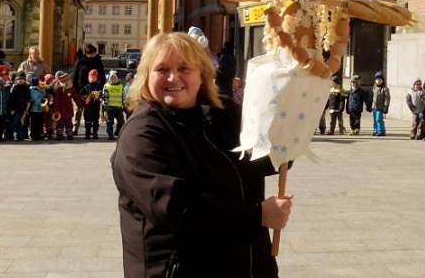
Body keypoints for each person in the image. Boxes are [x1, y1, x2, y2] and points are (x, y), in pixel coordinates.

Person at [111, 32, 292, 278]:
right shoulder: (142, 135)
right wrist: (257, 216)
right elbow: (176, 207)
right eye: (162, 69)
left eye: (184, 68)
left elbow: (263, 159)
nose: (173, 77)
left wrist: (289, 129)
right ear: (146, 76)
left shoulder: (223, 115)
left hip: (246, 265)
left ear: (202, 75)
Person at [73, 44, 106, 135]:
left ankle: (93, 131)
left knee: (94, 110)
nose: (95, 54)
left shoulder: (98, 61)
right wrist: (77, 90)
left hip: (95, 90)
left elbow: (102, 75)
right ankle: (75, 128)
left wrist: (100, 87)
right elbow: (75, 76)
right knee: (79, 109)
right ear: (89, 53)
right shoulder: (80, 61)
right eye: (94, 52)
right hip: (82, 90)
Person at [51, 71, 82, 140]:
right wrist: (55, 109)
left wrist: (79, 105)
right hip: (60, 109)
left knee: (68, 122)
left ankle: (69, 134)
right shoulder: (58, 88)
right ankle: (60, 135)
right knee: (60, 122)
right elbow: (56, 100)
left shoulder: (70, 87)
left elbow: (75, 97)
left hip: (67, 108)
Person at [103, 70, 125, 140]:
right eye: (111, 77)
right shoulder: (106, 86)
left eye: (114, 77)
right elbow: (104, 97)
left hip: (118, 107)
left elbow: (123, 96)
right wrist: (104, 109)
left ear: (118, 78)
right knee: (110, 122)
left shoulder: (121, 86)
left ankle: (117, 132)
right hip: (110, 107)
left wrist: (124, 105)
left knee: (121, 121)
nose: (113, 78)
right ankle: (110, 134)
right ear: (109, 78)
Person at [81, 69, 103, 140]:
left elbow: (102, 95)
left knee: (95, 121)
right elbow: (82, 95)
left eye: (94, 77)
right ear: (88, 78)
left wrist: (99, 95)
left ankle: (95, 134)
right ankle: (87, 134)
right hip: (87, 107)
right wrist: (85, 97)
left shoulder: (99, 86)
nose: (92, 79)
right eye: (91, 77)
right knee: (87, 121)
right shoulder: (86, 87)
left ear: (96, 78)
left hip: (96, 107)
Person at [9, 71, 31, 141]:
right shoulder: (14, 87)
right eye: (19, 79)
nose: (20, 81)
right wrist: (12, 108)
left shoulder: (27, 87)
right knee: (15, 122)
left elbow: (28, 98)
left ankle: (21, 136)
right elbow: (12, 99)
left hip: (24, 109)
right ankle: (13, 135)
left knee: (23, 122)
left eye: (22, 79)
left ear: (25, 80)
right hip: (16, 109)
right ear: (16, 80)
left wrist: (28, 108)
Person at [371, 71, 390, 136]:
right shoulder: (374, 87)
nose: (378, 81)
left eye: (380, 80)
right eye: (377, 79)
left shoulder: (385, 89)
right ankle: (375, 130)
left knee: (378, 119)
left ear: (382, 80)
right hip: (374, 107)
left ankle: (381, 131)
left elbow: (387, 98)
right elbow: (372, 97)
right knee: (375, 120)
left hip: (380, 107)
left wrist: (386, 107)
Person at [28, 76, 46, 141]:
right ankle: (34, 135)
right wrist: (42, 102)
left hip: (39, 110)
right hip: (34, 110)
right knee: (34, 124)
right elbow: (36, 99)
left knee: (39, 123)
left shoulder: (39, 89)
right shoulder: (33, 90)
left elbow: (42, 96)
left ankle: (38, 135)